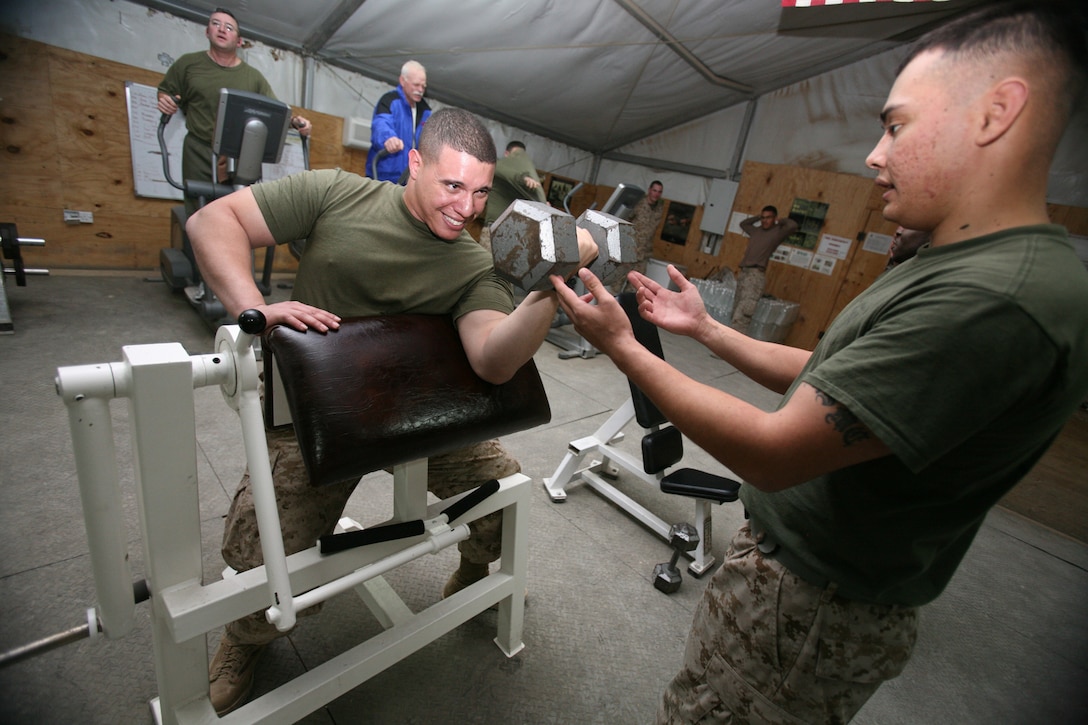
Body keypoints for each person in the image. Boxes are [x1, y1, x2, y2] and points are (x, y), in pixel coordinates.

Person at [550, 3, 1088, 723]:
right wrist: (709, 330)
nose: (873, 153)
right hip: (793, 578)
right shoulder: (956, 261)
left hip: (809, 608)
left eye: (896, 124)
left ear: (995, 113)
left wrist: (620, 345)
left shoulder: (992, 300)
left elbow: (774, 453)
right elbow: (835, 371)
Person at [186, 107, 596, 715]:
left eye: (481, 192)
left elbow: (493, 360)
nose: (467, 207)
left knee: (503, 494)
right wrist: (254, 309)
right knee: (263, 558)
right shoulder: (334, 193)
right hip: (310, 421)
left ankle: (473, 572)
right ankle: (245, 641)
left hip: (412, 416)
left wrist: (548, 285)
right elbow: (212, 220)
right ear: (414, 163)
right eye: (452, 185)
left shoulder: (473, 264)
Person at [157, 7, 311, 216]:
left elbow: (275, 113)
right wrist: (165, 100)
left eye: (229, 27)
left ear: (239, 41)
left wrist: (296, 123)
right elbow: (166, 91)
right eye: (215, 24)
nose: (222, 29)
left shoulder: (252, 77)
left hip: (239, 157)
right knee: (198, 212)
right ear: (207, 31)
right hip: (199, 149)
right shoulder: (188, 64)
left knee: (237, 214)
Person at [731, 205, 798, 334]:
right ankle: (726, 346)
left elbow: (793, 225)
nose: (765, 221)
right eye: (763, 218)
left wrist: (780, 221)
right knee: (736, 310)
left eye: (768, 218)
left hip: (756, 274)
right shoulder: (756, 231)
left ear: (774, 218)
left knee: (744, 313)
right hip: (744, 272)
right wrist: (757, 217)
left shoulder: (778, 232)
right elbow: (743, 224)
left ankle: (731, 349)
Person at [366, 60, 432, 183]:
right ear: (402, 81)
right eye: (416, 85)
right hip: (384, 177)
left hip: (409, 179)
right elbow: (380, 124)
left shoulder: (426, 111)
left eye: (423, 86)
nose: (420, 90)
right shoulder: (389, 101)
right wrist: (388, 138)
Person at [480, 140, 548, 252]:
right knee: (485, 265)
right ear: (507, 154)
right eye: (516, 154)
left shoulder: (523, 184)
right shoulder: (498, 167)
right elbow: (503, 170)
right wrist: (523, 178)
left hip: (515, 232)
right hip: (495, 228)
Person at [614, 179, 664, 293]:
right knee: (617, 282)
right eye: (654, 190)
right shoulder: (639, 204)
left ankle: (624, 307)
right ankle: (608, 306)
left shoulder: (659, 209)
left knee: (635, 285)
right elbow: (624, 221)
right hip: (630, 250)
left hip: (643, 253)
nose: (656, 194)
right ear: (649, 190)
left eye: (659, 192)